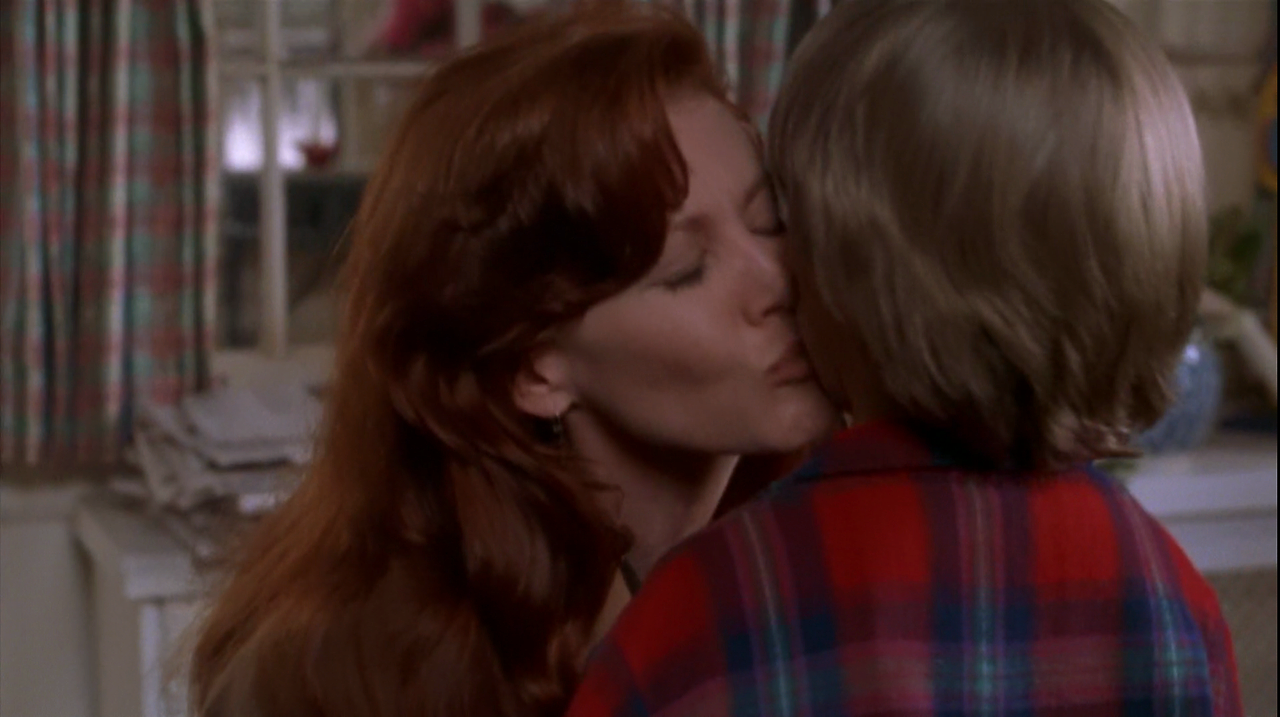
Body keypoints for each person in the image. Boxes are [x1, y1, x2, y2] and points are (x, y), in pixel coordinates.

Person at [567, 1, 1245, 715]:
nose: (777, 270)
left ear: (841, 270)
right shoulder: (1172, 603)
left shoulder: (699, 615)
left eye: (781, 221)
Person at [186, 3, 835, 716]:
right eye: (687, 269)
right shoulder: (354, 675)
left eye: (769, 219)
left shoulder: (807, 557)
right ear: (534, 372)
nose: (779, 280)